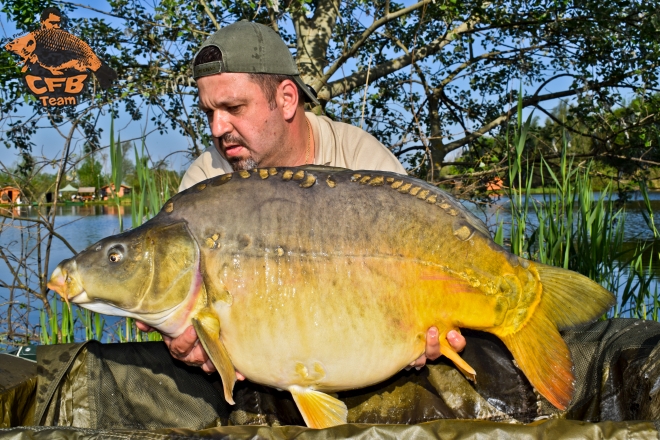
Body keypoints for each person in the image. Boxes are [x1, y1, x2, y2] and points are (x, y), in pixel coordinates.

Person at [136, 21, 466, 378]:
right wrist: (193, 341)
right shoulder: (205, 184)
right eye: (209, 112)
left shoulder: (359, 158)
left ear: (287, 99)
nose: (218, 128)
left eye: (234, 107)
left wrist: (429, 329)